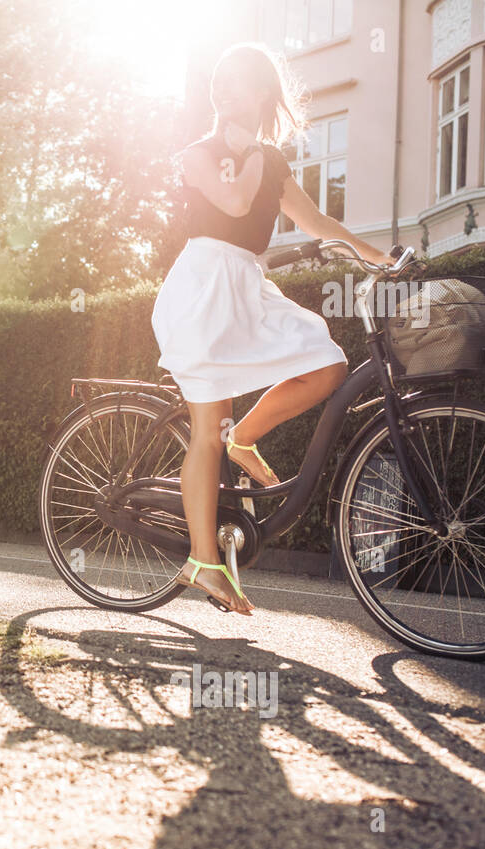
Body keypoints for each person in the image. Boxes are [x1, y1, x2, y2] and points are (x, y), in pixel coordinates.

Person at [152, 42, 394, 615]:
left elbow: (316, 221)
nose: (222, 92)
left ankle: (246, 438)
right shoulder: (198, 153)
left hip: (247, 285)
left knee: (328, 364)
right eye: (218, 84)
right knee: (206, 428)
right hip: (204, 288)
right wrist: (259, 158)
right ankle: (204, 562)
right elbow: (235, 204)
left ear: (261, 90)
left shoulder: (270, 161)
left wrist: (379, 257)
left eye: (234, 82)